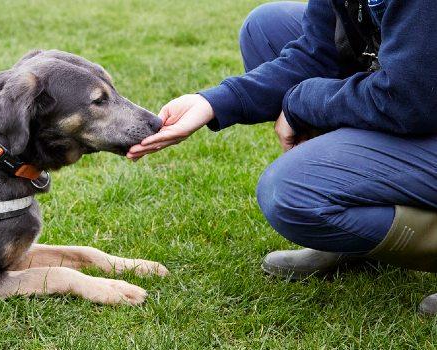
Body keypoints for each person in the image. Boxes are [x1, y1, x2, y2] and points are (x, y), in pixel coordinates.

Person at [127, 0, 437, 314]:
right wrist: (213, 102)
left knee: (292, 192)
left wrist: (301, 101)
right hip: (420, 94)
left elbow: (410, 97)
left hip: (419, 98)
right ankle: (351, 238)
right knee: (267, 28)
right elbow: (316, 53)